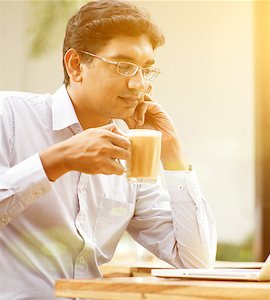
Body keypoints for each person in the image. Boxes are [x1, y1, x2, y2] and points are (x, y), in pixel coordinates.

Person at [0, 0, 216, 298]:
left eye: (146, 70)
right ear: (75, 65)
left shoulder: (132, 155)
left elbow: (196, 262)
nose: (138, 85)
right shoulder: (8, 115)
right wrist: (57, 160)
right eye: (124, 66)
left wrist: (172, 151)